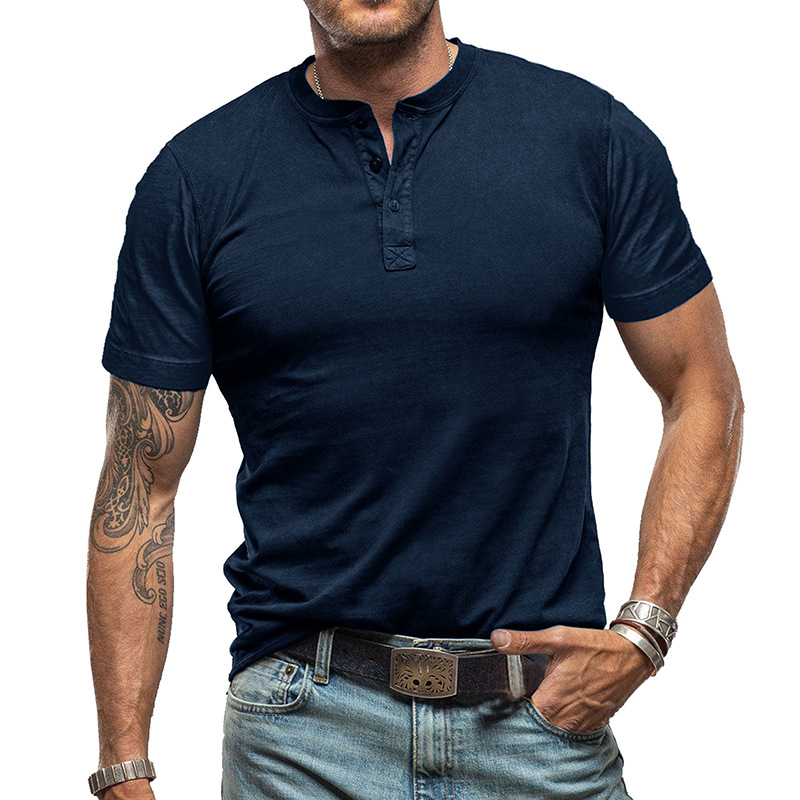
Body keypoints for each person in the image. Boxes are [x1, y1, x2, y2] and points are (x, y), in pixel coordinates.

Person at [86, 1, 744, 798]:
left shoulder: (588, 137)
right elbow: (140, 484)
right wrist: (123, 768)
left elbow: (701, 389)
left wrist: (645, 629)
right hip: (301, 737)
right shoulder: (198, 179)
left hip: (538, 724)